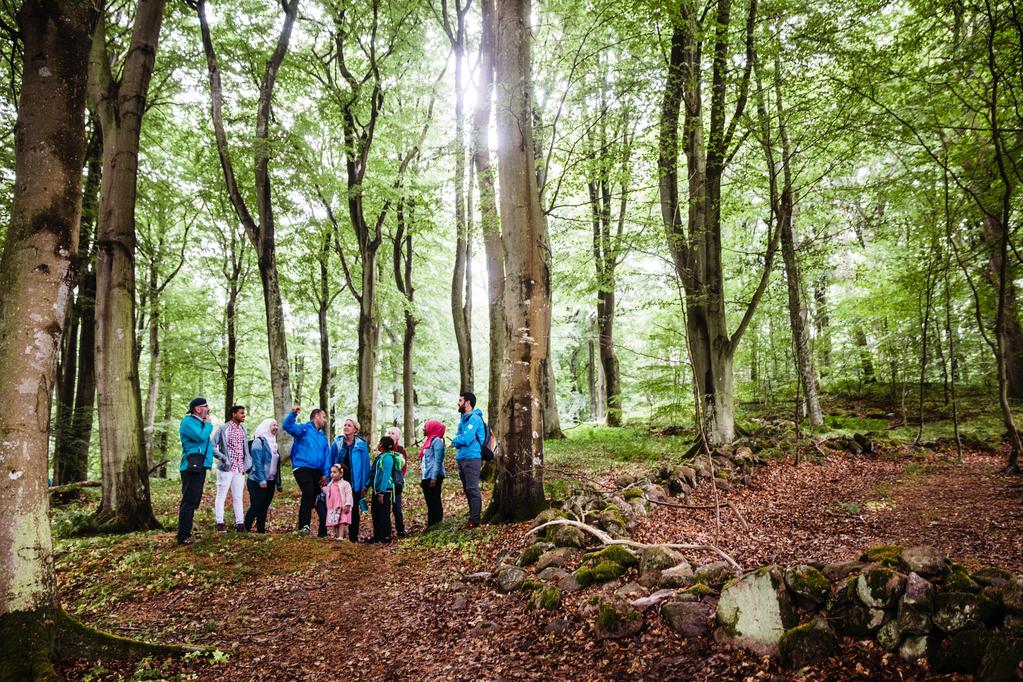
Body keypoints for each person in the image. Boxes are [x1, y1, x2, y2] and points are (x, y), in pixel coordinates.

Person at [282, 405, 330, 535]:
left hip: (317, 471)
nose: (325, 420)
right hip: (302, 467)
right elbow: (287, 426)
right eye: (324, 417)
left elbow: (327, 456)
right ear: (316, 417)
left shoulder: (323, 437)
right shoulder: (303, 429)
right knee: (308, 492)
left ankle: (323, 532)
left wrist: (326, 474)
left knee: (318, 498)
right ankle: (304, 526)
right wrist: (293, 414)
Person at [177, 397, 214, 545]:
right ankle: (183, 536)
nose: (208, 409)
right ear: (198, 409)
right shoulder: (188, 422)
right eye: (206, 406)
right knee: (189, 501)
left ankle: (187, 532)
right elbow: (200, 437)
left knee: (194, 500)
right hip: (190, 467)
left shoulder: (201, 423)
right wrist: (209, 425)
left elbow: (207, 445)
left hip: (200, 466)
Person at [329, 417, 370, 541]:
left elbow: (365, 466)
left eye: (349, 425)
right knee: (337, 507)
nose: (346, 427)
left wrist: (365, 485)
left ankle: (353, 537)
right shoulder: (337, 442)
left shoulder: (361, 445)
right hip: (338, 482)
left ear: (355, 429)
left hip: (354, 483)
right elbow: (331, 461)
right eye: (345, 425)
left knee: (353, 509)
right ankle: (339, 535)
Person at [212, 405, 252, 532]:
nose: (243, 415)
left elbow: (245, 449)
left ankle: (240, 524)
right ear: (234, 414)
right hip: (226, 468)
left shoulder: (243, 430)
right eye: (241, 413)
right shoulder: (224, 429)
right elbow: (212, 446)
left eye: (243, 413)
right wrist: (223, 458)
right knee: (221, 496)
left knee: (238, 497)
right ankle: (220, 523)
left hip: (240, 469)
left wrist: (247, 463)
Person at [451, 391, 485, 529]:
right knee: (467, 489)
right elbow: (458, 441)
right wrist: (458, 439)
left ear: (468, 403)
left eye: (460, 400)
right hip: (462, 457)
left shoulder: (475, 419)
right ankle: (472, 515)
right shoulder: (463, 419)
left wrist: (458, 439)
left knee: (472, 488)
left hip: (473, 457)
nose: (458, 403)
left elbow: (465, 438)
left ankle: (475, 520)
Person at [244, 418, 283, 533]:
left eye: (276, 425)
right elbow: (257, 462)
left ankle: (261, 531)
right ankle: (246, 528)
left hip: (270, 481)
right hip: (256, 480)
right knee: (256, 505)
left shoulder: (274, 443)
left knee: (264, 506)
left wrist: (278, 483)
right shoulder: (259, 441)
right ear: (266, 426)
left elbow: (277, 465)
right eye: (273, 425)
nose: (276, 427)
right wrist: (262, 480)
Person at [368, 436, 397, 544]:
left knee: (384, 513)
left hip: (385, 491)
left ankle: (385, 536)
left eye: (380, 442)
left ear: (382, 445)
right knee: (375, 512)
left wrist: (382, 493)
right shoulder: (380, 457)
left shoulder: (388, 458)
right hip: (377, 490)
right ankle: (377, 536)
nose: (378, 444)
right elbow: (374, 474)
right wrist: (367, 486)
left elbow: (386, 476)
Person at [419, 419, 446, 527]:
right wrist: (423, 478)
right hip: (427, 476)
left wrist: (434, 478)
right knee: (429, 503)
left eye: (426, 426)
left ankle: (437, 525)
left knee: (435, 501)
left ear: (431, 428)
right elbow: (425, 462)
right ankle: (431, 525)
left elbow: (438, 461)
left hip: (434, 476)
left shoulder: (437, 441)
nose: (423, 428)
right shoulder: (428, 441)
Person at [386, 426, 408, 537]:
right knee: (386, 507)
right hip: (386, 483)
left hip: (397, 483)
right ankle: (387, 530)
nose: (390, 434)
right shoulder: (383, 448)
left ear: (398, 436)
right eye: (389, 432)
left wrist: (399, 477)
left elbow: (404, 466)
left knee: (397, 507)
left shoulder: (400, 449)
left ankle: (400, 529)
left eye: (393, 433)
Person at [323, 464, 354, 540]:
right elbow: (327, 493)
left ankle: (340, 536)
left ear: (341, 474)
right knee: (334, 521)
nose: (332, 474)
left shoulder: (345, 484)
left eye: (334, 472)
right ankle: (336, 535)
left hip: (341, 505)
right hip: (333, 506)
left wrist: (348, 504)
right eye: (331, 472)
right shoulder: (330, 484)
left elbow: (349, 494)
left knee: (342, 521)